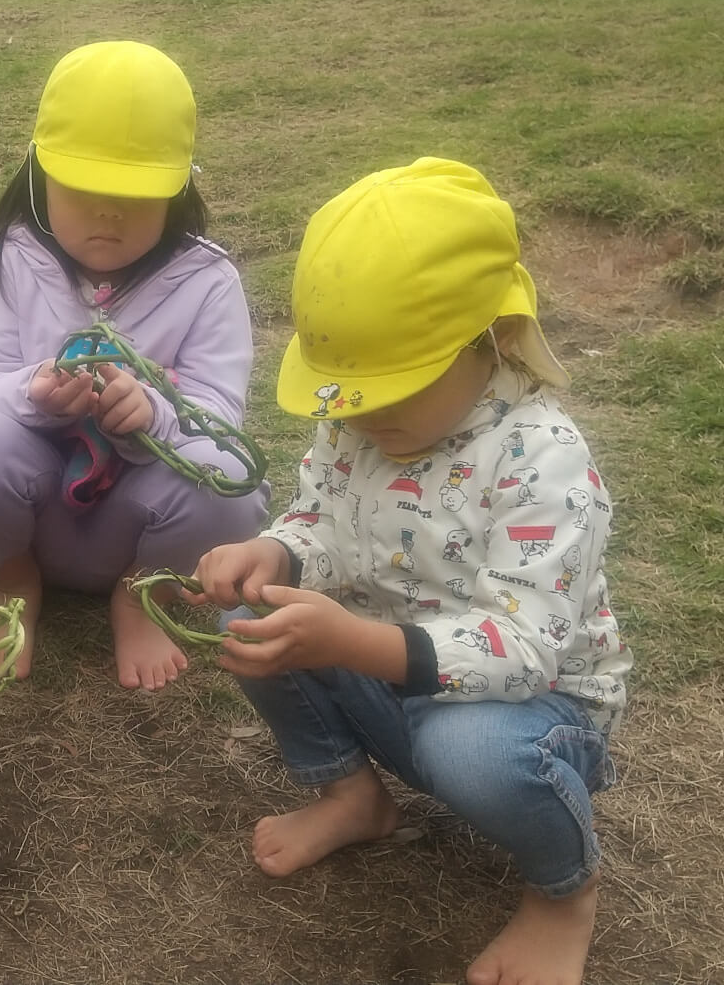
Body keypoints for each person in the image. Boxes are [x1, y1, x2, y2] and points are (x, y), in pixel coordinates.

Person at [192, 158, 631, 985]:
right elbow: (321, 515)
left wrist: (356, 642)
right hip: (397, 683)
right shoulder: (357, 422)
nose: (364, 412)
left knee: (472, 750)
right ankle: (353, 795)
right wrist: (277, 553)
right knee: (253, 615)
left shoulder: (541, 457)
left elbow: (525, 645)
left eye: (394, 386)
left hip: (528, 714)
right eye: (348, 393)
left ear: (485, 339)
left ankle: (564, 891)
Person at [0, 40, 267, 690]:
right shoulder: (10, 258)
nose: (108, 214)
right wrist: (34, 393)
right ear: (38, 173)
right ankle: (15, 575)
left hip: (143, 523)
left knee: (234, 484)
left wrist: (156, 413)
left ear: (181, 186)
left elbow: (221, 416)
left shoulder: (208, 278)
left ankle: (142, 596)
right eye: (83, 189)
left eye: (136, 194)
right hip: (38, 507)